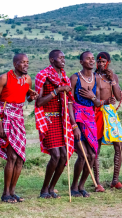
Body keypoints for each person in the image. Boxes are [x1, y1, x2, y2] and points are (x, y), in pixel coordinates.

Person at [0, 53, 37, 203]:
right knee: (12, 156)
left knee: (20, 159)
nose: (26, 65)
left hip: (19, 117)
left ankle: (12, 191)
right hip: (5, 117)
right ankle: (5, 194)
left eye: (27, 62)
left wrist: (31, 97)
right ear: (15, 64)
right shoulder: (4, 78)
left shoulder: (27, 79)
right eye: (22, 62)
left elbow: (26, 96)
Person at [35, 50, 79, 199]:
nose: (63, 60)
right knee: (55, 155)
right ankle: (43, 189)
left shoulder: (64, 77)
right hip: (48, 119)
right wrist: (57, 90)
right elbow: (39, 102)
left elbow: (70, 102)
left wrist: (73, 124)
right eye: (60, 58)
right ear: (52, 60)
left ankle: (52, 188)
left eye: (64, 58)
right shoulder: (43, 76)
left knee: (64, 156)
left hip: (62, 120)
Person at [70, 51, 104, 197]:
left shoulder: (96, 78)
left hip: (90, 118)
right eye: (88, 59)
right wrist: (73, 125)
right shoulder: (74, 78)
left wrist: (92, 96)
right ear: (81, 62)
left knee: (91, 155)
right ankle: (74, 187)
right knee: (82, 155)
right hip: (77, 118)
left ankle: (82, 186)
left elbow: (98, 103)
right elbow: (69, 103)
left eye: (92, 59)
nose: (91, 61)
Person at [93, 52, 122, 189]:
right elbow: (90, 98)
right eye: (98, 62)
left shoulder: (113, 77)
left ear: (108, 62)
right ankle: (97, 183)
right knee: (96, 147)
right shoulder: (92, 77)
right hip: (97, 112)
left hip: (110, 113)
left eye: (103, 61)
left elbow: (117, 96)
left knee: (119, 146)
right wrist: (102, 102)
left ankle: (115, 180)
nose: (101, 64)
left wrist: (113, 81)